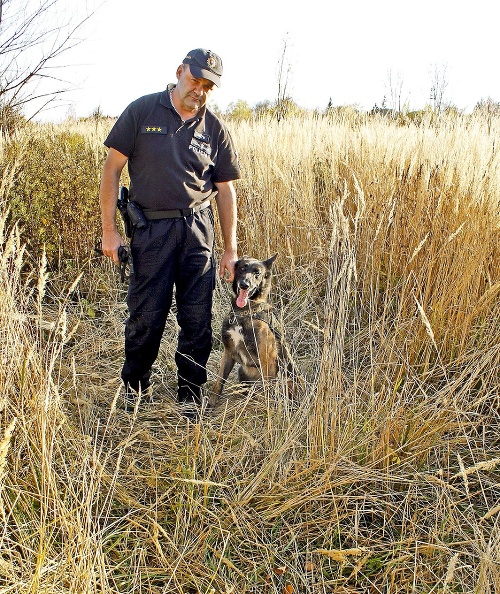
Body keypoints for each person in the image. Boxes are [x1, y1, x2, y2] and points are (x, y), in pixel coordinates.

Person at [99, 48, 240, 416]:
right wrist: (109, 231)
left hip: (198, 231)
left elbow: (225, 191)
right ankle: (134, 389)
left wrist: (230, 250)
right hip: (152, 230)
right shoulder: (142, 111)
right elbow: (112, 170)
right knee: (146, 315)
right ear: (180, 72)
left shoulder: (215, 129)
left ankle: (190, 394)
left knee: (197, 318)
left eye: (209, 85)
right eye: (196, 80)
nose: (201, 90)